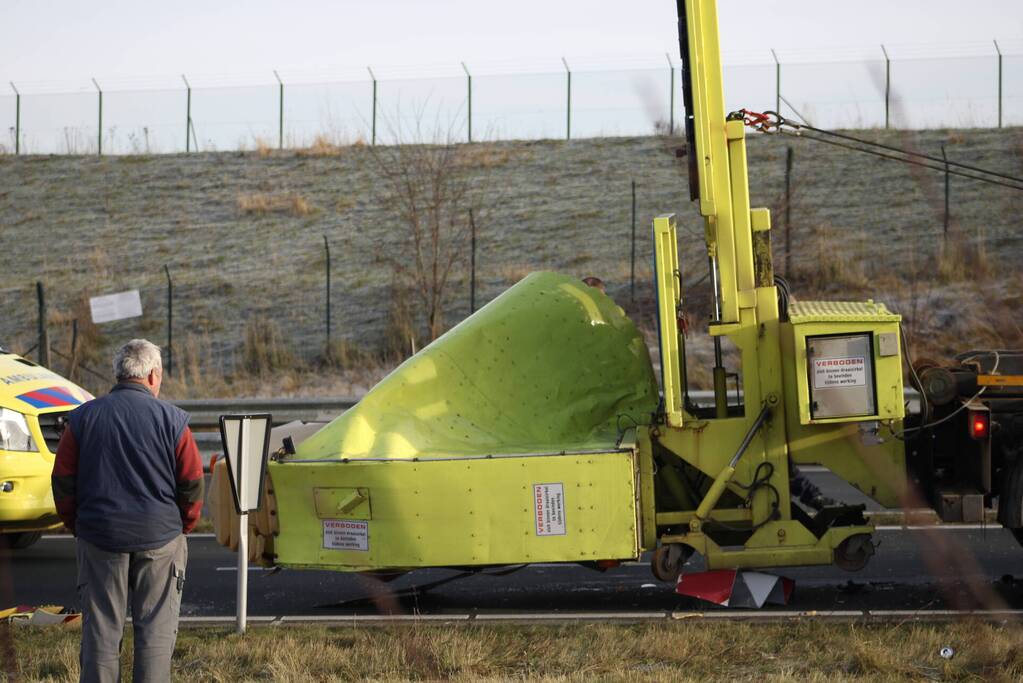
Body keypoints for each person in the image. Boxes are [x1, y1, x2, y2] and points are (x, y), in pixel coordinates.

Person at [51, 339, 204, 683]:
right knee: (155, 634)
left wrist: (78, 524)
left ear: (119, 374)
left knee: (101, 634)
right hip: (160, 536)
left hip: (100, 536)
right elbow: (192, 482)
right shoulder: (173, 420)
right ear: (152, 376)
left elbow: (62, 480)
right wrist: (185, 524)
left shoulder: (83, 419)